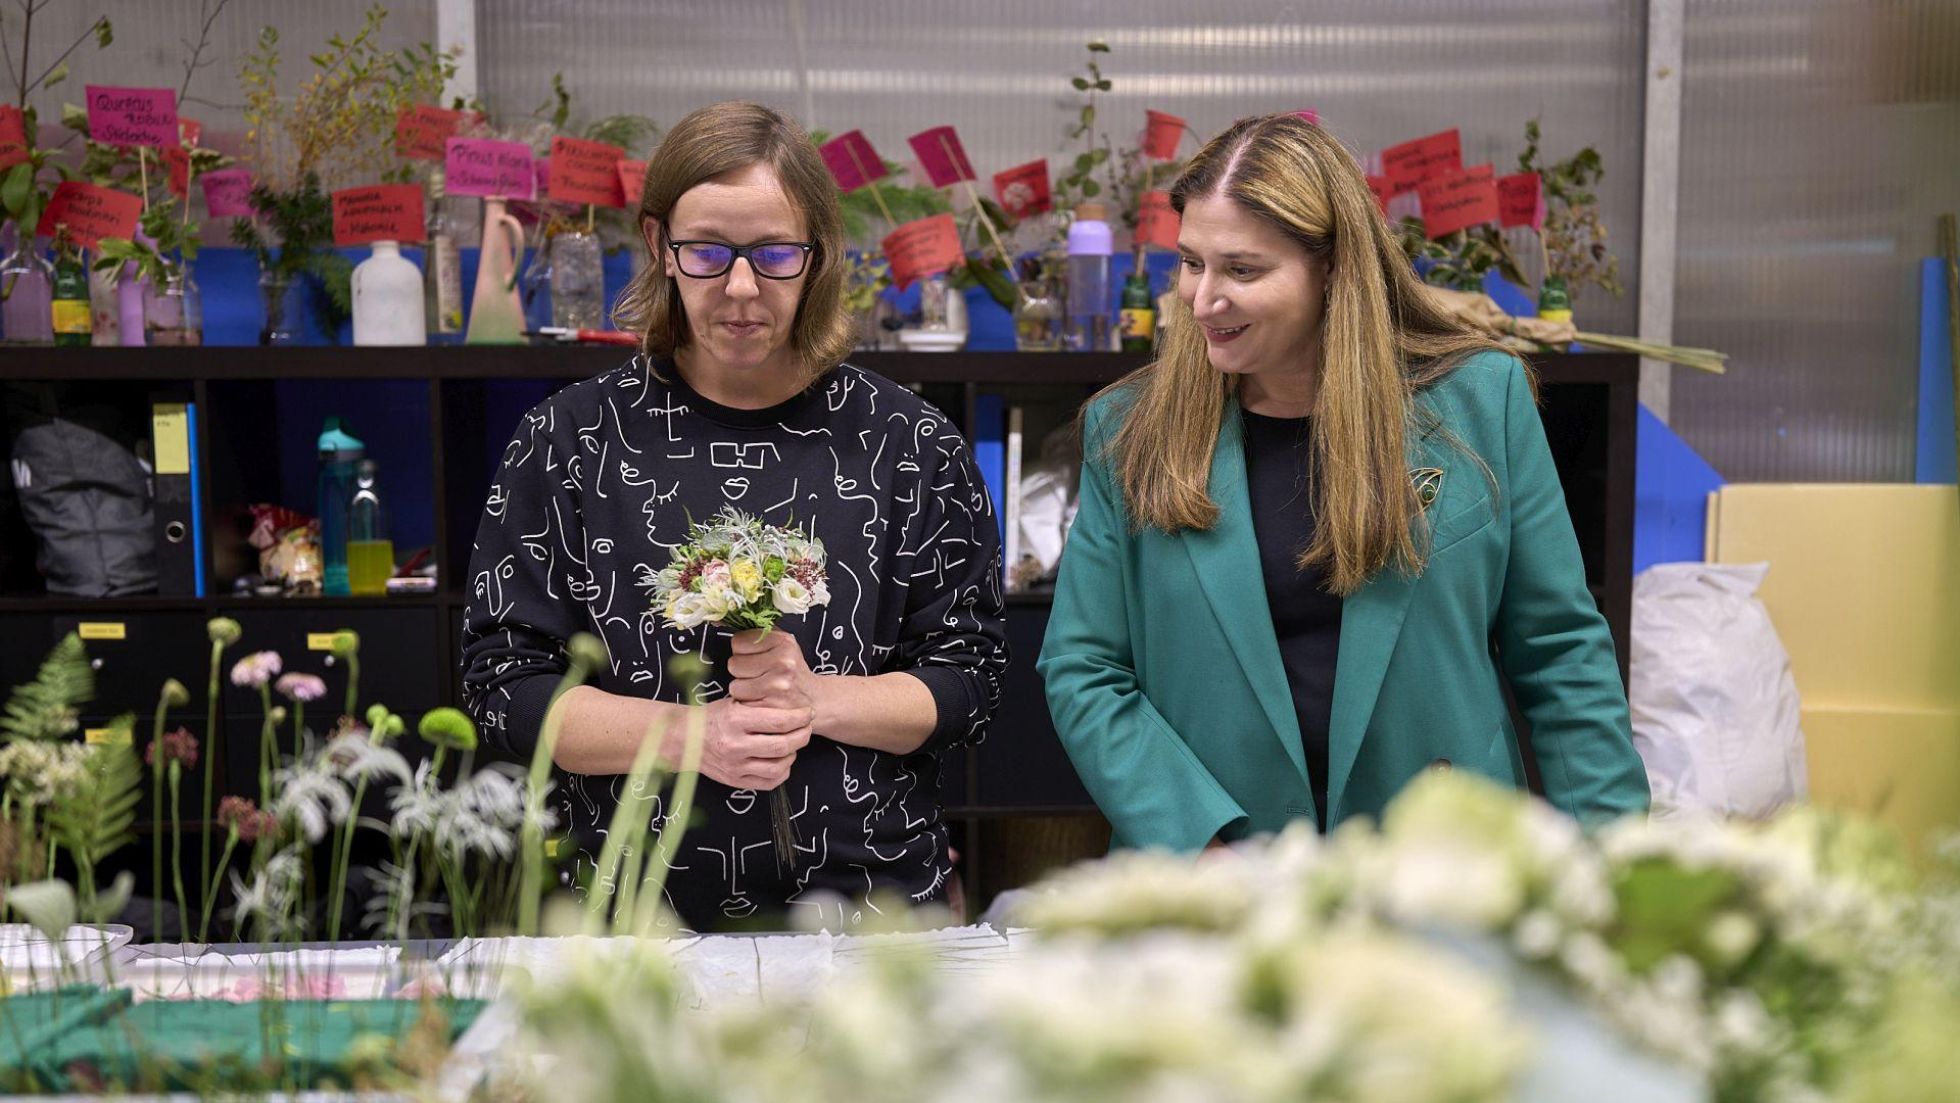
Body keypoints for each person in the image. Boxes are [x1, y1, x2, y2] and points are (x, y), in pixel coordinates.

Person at [461, 101, 1007, 929]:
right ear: (658, 246)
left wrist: (816, 701)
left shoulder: (907, 442)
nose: (742, 288)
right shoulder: (572, 440)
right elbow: (504, 689)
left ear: (818, 255)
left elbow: (972, 681)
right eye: (709, 251)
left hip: (874, 922)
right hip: (633, 926)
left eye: (776, 253)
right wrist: (690, 735)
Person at [1038, 113, 1648, 852]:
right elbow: (1085, 668)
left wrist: (1615, 862)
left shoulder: (1483, 403)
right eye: (1191, 262)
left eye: (1242, 269)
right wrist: (1200, 838)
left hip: (1444, 872)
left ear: (1332, 268)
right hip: (1221, 884)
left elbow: (1559, 650)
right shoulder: (1128, 430)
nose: (1201, 300)